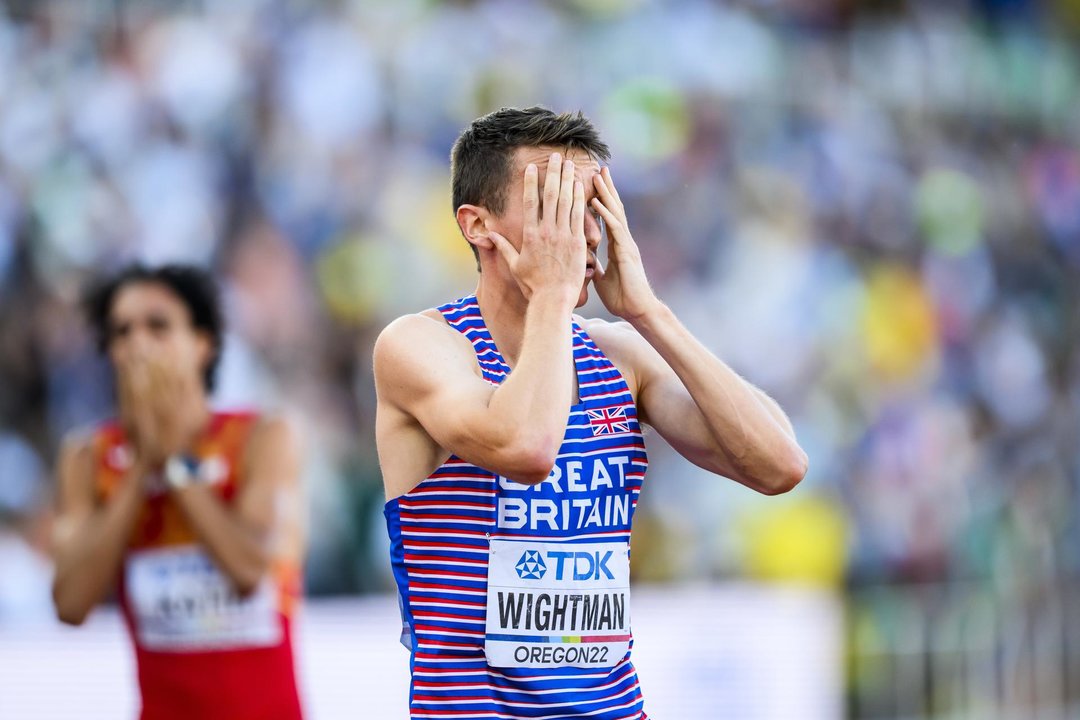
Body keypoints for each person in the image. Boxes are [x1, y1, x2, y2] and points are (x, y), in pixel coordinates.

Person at [374, 106, 809, 718]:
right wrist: (552, 294)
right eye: (552, 207)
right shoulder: (421, 346)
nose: (579, 233)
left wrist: (649, 312)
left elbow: (779, 465)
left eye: (589, 208)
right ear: (477, 226)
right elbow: (525, 448)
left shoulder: (618, 354)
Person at [51, 265, 306, 720]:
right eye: (122, 331)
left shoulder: (261, 437)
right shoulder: (89, 457)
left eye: (158, 326)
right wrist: (141, 469)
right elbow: (70, 605)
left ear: (202, 344)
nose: (138, 345)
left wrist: (174, 459)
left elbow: (249, 570)